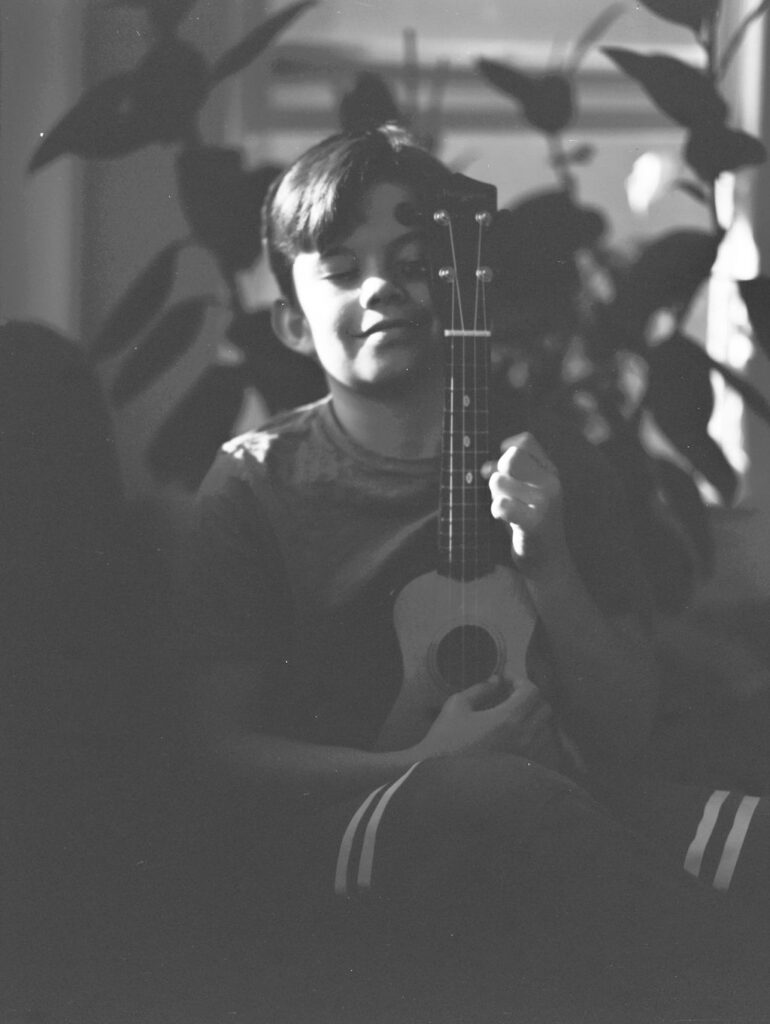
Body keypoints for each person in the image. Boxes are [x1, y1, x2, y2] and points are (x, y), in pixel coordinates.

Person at [187, 125, 770, 1022]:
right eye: (342, 269)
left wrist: (550, 560)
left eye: (417, 260)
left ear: (462, 286)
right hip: (352, 836)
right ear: (292, 322)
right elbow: (214, 750)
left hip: (566, 805)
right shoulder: (254, 483)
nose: (383, 285)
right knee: (495, 798)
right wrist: (428, 759)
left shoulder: (556, 459)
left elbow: (622, 725)